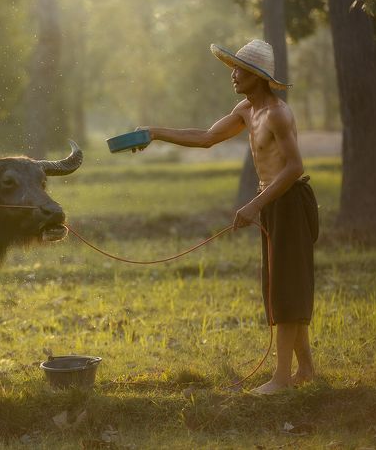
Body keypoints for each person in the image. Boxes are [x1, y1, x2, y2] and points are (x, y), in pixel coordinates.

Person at [136, 39, 318, 394]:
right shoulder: (247, 110)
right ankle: (306, 368)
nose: (232, 75)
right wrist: (155, 133)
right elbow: (206, 137)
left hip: (288, 203)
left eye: (239, 70)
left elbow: (294, 167)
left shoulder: (278, 113)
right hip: (272, 202)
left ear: (257, 76)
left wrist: (255, 204)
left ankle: (282, 379)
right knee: (282, 283)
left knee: (285, 288)